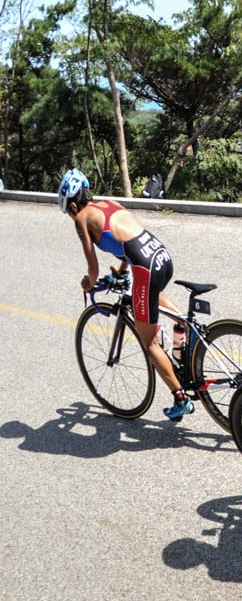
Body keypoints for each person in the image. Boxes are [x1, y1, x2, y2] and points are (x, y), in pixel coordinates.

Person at [59, 168, 192, 420]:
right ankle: (182, 326)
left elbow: (93, 269)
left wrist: (88, 283)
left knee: (149, 342)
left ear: (74, 205)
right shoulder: (110, 203)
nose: (70, 214)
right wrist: (121, 269)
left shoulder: (82, 219)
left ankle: (180, 397)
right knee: (150, 296)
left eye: (68, 209)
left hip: (144, 268)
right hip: (161, 257)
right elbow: (129, 241)